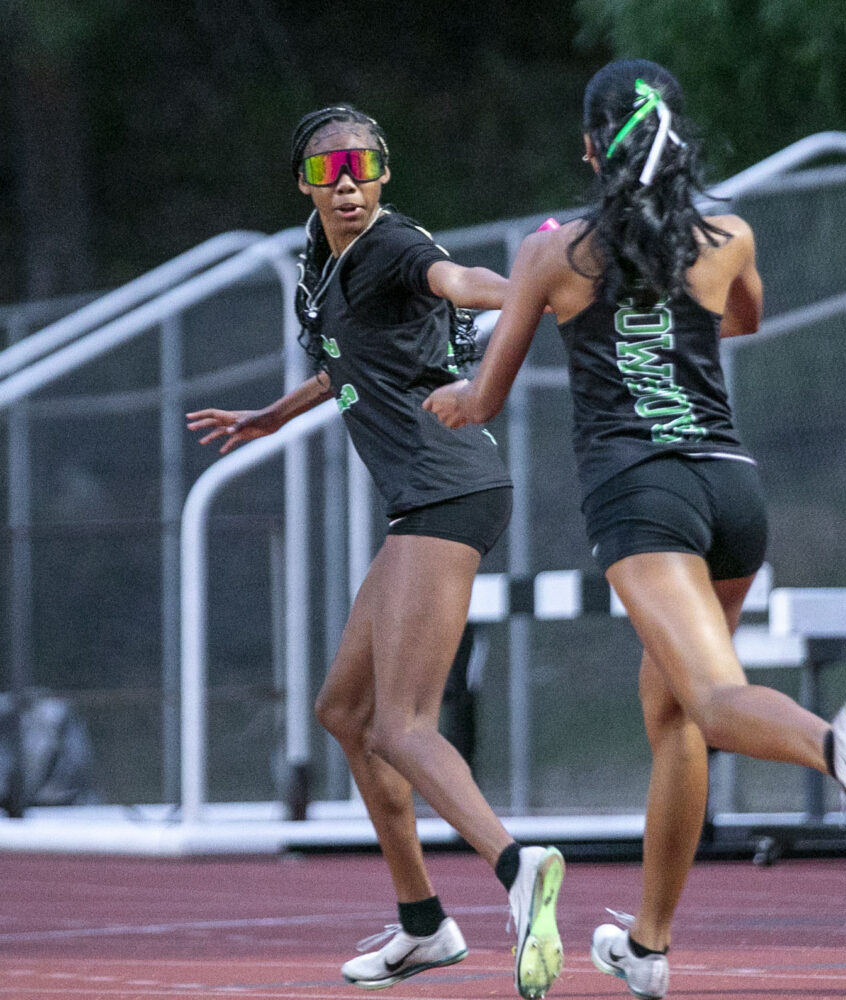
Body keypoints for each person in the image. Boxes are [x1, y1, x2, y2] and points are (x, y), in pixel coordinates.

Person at [424, 60, 846, 1000]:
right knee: (677, 715)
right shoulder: (726, 231)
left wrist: (452, 399)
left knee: (715, 697)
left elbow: (486, 392)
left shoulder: (552, 252)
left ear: (587, 147)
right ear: (677, 138)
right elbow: (743, 317)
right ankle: (646, 949)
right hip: (732, 493)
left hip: (641, 497)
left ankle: (839, 746)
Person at [186, 104, 564, 999]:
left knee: (400, 724)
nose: (347, 181)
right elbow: (346, 361)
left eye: (361, 165)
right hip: (423, 500)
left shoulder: (392, 245)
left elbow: (457, 279)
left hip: (450, 486)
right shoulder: (321, 267)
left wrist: (531, 289)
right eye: (328, 170)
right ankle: (423, 926)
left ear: (384, 174)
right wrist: (272, 414)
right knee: (344, 713)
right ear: (305, 186)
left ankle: (519, 870)